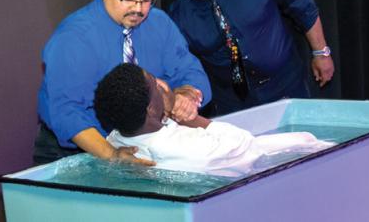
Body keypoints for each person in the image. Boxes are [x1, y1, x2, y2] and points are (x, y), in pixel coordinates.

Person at [33, 0, 211, 165]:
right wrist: (112, 155)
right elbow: (67, 112)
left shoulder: (159, 23)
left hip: (144, 144)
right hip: (77, 151)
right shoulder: (74, 37)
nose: (138, 9)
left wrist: (188, 96)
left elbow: (190, 71)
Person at [164, 0, 335, 116]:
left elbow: (302, 6)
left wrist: (321, 53)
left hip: (286, 84)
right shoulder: (179, 16)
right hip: (234, 102)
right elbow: (179, 64)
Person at [94, 63, 334, 177]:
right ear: (149, 108)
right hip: (248, 174)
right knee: (307, 139)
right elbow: (244, 143)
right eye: (155, 85)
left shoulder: (116, 141)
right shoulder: (192, 149)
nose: (162, 85)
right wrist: (191, 118)